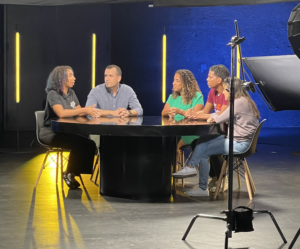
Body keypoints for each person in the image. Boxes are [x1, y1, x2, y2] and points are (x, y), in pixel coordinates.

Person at [173, 77, 260, 197]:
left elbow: (219, 118)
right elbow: (220, 115)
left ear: (231, 90)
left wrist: (213, 117)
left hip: (240, 144)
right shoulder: (244, 100)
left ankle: (202, 187)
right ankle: (191, 166)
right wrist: (213, 116)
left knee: (203, 152)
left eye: (225, 90)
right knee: (203, 139)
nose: (223, 93)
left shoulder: (239, 103)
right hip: (236, 139)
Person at [39, 66, 102, 189]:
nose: (74, 78)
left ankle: (72, 173)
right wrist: (84, 110)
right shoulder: (53, 94)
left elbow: (78, 111)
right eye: (70, 75)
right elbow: (61, 113)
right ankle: (69, 173)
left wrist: (90, 111)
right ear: (61, 78)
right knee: (79, 143)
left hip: (67, 132)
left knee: (89, 144)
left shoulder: (72, 93)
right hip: (51, 132)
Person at [184, 65, 230, 192]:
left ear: (219, 80)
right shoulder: (212, 92)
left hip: (229, 133)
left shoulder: (228, 94)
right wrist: (192, 113)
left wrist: (198, 115)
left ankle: (223, 178)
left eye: (210, 77)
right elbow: (205, 111)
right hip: (217, 131)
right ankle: (214, 177)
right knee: (196, 143)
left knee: (206, 144)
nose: (207, 79)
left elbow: (221, 116)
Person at [161, 69, 204, 163]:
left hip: (190, 132)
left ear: (186, 83)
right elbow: (163, 112)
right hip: (173, 131)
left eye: (177, 81)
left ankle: (173, 170)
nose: (173, 83)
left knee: (173, 144)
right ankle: (166, 171)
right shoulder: (172, 97)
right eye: (174, 80)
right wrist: (169, 112)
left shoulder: (197, 96)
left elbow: (196, 115)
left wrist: (179, 111)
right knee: (163, 141)